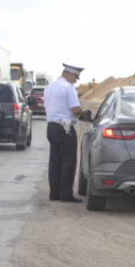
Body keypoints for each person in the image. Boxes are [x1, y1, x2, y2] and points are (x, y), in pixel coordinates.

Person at [44, 63, 85, 203]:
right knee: (68, 162)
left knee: (54, 162)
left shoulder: (50, 87)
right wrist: (83, 113)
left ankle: (54, 194)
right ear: (68, 74)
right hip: (65, 128)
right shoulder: (69, 88)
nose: (76, 80)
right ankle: (66, 194)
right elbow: (75, 110)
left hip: (51, 127)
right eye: (76, 77)